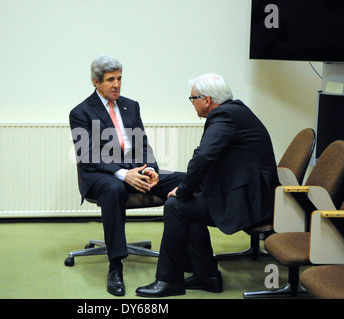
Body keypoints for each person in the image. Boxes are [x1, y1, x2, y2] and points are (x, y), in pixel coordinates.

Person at [136, 73, 280, 298]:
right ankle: (206, 275)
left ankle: (169, 280)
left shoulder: (224, 116)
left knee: (176, 206)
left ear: (207, 100)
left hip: (251, 203)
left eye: (193, 98)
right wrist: (189, 188)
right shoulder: (235, 111)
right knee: (187, 201)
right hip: (252, 193)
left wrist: (183, 191)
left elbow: (204, 156)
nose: (192, 103)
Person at [69, 55, 185, 296]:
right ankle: (115, 265)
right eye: (110, 80)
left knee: (186, 179)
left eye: (120, 78)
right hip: (101, 173)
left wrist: (150, 170)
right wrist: (123, 174)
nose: (117, 85)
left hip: (136, 169)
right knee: (115, 188)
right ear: (96, 82)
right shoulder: (80, 112)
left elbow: (143, 144)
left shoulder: (130, 105)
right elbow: (88, 155)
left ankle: (190, 259)